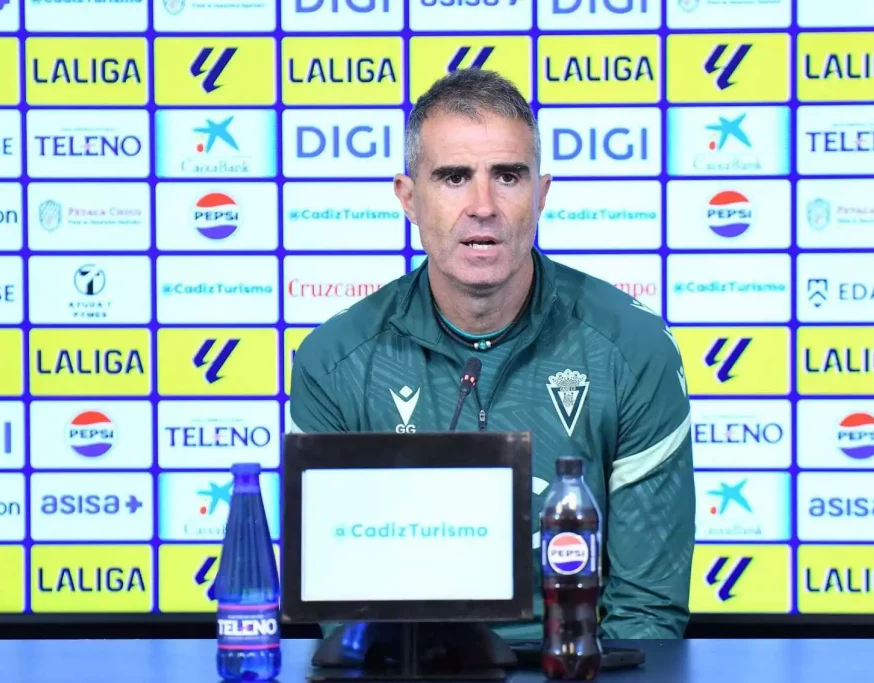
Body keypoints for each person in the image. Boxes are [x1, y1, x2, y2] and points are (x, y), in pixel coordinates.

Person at [289, 68, 695, 640]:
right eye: (454, 177)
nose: (483, 205)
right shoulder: (335, 360)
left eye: (507, 176)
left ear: (541, 194)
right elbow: (343, 613)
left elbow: (646, 617)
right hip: (404, 675)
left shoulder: (633, 348)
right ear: (409, 198)